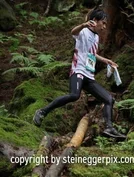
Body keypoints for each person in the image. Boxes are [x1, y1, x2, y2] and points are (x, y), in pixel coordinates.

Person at [33, 9, 126, 138]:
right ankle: (42, 111)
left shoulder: (96, 37)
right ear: (95, 21)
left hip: (89, 75)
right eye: (103, 23)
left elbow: (91, 53)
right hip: (78, 71)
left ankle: (109, 128)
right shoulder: (83, 31)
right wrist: (83, 24)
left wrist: (106, 61)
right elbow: (73, 32)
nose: (104, 27)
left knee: (108, 99)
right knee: (74, 95)